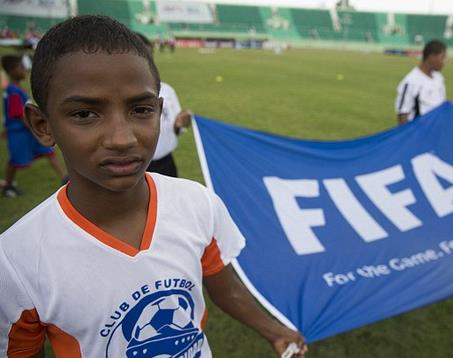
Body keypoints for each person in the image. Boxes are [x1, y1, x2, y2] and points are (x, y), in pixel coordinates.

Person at [0, 15, 307, 357]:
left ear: (159, 111)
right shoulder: (16, 260)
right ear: (42, 125)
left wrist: (274, 331)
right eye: (85, 114)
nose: (122, 138)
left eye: (141, 109)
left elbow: (225, 287)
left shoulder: (197, 204)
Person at [1, 55, 66, 197]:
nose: (24, 70)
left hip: (28, 131)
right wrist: (33, 127)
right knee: (15, 160)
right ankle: (7, 185)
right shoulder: (12, 91)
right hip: (20, 132)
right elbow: (17, 114)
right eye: (21, 68)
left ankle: (64, 178)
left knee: (48, 152)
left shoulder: (17, 89)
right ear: (12, 71)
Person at [136, 32, 191, 177]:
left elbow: (177, 128)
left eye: (150, 54)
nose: (148, 60)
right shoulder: (116, 95)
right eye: (142, 55)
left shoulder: (167, 90)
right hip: (135, 167)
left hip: (166, 165)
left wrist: (179, 124)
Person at [395, 40, 447, 125]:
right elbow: (402, 116)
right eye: (442, 57)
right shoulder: (410, 82)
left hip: (437, 133)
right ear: (432, 57)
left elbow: (443, 104)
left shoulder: (439, 78)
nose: (444, 62)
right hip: (420, 134)